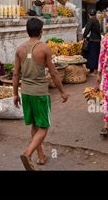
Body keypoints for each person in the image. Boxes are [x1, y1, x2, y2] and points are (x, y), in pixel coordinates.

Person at [13, 17, 68, 171]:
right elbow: (54, 73)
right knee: (43, 127)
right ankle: (28, 153)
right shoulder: (44, 48)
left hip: (25, 92)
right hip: (40, 93)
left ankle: (41, 156)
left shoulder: (20, 49)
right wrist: (62, 91)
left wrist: (15, 94)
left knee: (34, 125)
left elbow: (15, 74)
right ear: (41, 31)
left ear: (27, 31)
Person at [83, 10, 101, 74]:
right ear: (95, 14)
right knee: (96, 55)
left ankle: (93, 69)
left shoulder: (91, 20)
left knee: (92, 55)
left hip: (93, 40)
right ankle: (95, 69)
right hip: (97, 40)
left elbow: (87, 29)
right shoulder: (96, 20)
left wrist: (84, 36)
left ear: (89, 15)